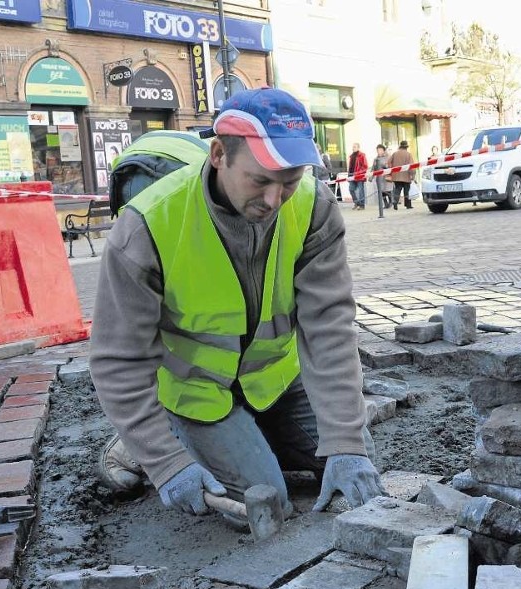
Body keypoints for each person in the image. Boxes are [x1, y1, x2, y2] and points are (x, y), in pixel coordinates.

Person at [90, 88, 384, 522]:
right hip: (198, 393)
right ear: (218, 155)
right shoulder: (148, 225)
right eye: (260, 180)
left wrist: (344, 442)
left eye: (289, 181)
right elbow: (118, 360)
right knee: (264, 503)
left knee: (357, 461)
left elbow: (330, 326)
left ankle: (252, 435)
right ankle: (160, 437)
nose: (274, 200)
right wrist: (166, 463)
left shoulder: (313, 207)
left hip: (274, 382)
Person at [389, 139, 415, 210]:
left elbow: (389, 162)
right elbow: (412, 166)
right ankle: (408, 205)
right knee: (407, 191)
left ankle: (395, 201)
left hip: (396, 175)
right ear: (406, 147)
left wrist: (392, 170)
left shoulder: (395, 154)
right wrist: (413, 175)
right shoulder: (408, 154)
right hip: (406, 176)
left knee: (397, 189)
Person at [347, 142, 368, 210]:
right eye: (353, 147)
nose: (353, 148)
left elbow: (365, 166)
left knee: (360, 190)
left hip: (359, 176)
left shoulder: (362, 155)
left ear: (358, 148)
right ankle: (356, 202)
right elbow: (350, 167)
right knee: (351, 189)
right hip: (352, 175)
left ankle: (362, 205)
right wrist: (349, 175)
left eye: (355, 147)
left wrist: (359, 172)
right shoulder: (351, 156)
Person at [371, 144, 391, 209]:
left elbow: (390, 166)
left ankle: (391, 201)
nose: (379, 151)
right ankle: (385, 203)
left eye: (380, 150)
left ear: (383, 151)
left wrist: (384, 165)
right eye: (378, 150)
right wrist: (371, 177)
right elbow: (373, 168)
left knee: (388, 190)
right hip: (379, 178)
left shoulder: (388, 157)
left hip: (386, 177)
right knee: (381, 191)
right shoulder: (376, 159)